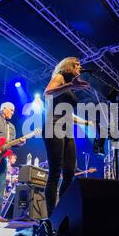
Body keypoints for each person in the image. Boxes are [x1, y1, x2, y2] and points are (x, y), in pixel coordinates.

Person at [43, 57, 92, 216]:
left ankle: (61, 212)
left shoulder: (69, 86)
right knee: (55, 172)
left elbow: (68, 114)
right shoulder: (60, 78)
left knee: (69, 173)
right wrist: (70, 85)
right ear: (68, 66)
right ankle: (51, 216)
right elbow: (47, 93)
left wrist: (85, 122)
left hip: (67, 128)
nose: (80, 67)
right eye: (77, 64)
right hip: (54, 126)